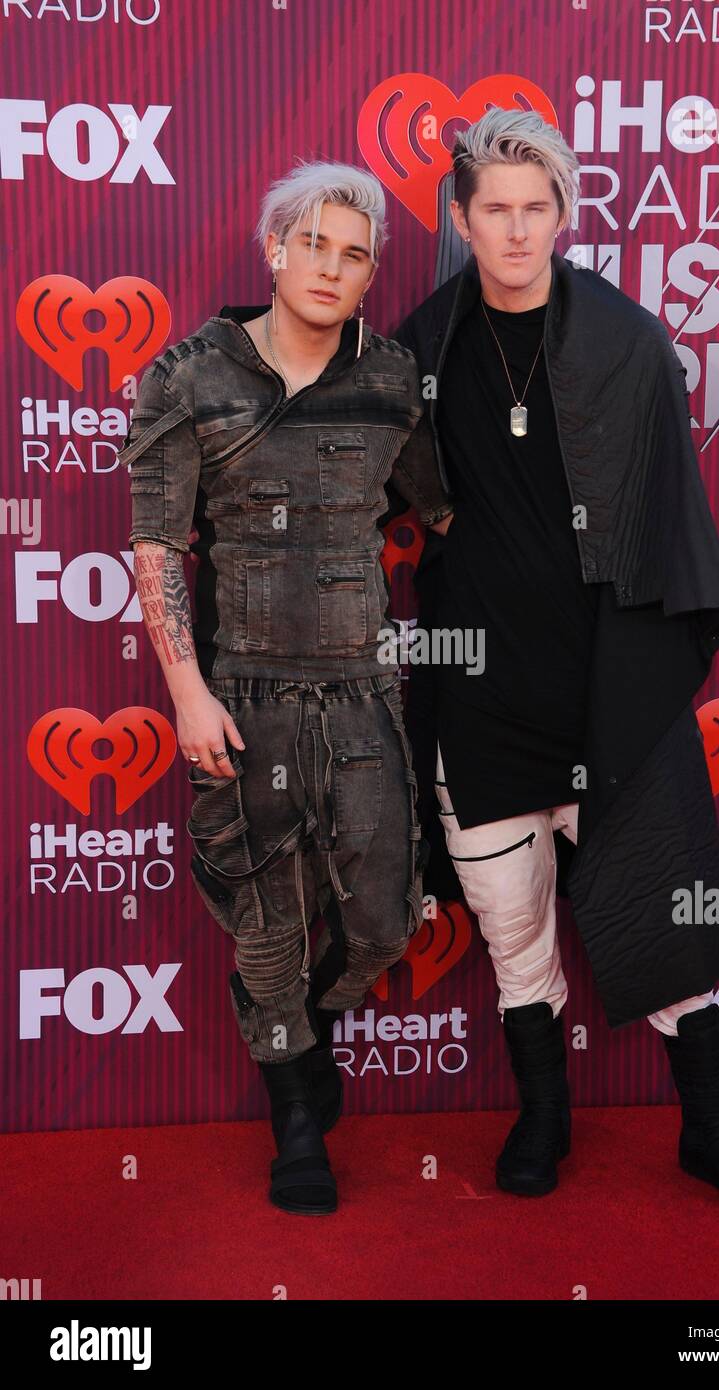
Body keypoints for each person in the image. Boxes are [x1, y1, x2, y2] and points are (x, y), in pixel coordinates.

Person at [393, 109, 719, 1217]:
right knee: (510, 919)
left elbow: (671, 520)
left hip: (608, 689)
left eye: (536, 210)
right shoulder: (420, 349)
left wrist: (648, 673)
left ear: (563, 215)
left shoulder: (623, 341)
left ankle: (709, 1132)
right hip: (479, 691)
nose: (516, 232)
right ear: (462, 218)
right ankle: (543, 1113)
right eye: (495, 211)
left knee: (660, 913)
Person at [120, 160, 454, 1215]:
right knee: (265, 923)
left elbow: (444, 513)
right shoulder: (189, 375)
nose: (329, 265)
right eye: (311, 242)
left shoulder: (396, 380)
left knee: (384, 924)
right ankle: (295, 1119)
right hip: (244, 691)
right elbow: (157, 545)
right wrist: (185, 691)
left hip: (365, 692)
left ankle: (298, 1026)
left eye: (352, 253)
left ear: (367, 277)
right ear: (273, 248)